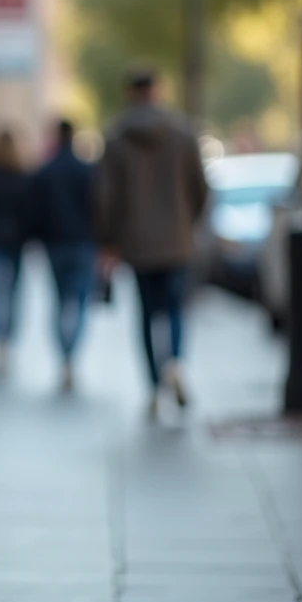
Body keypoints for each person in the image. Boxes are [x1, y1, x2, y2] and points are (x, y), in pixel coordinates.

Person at [97, 69, 208, 415]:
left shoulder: (116, 139)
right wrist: (189, 222)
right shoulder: (183, 133)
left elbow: (104, 196)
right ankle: (174, 362)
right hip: (176, 239)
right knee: (175, 307)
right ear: (156, 91)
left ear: (129, 93)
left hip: (137, 242)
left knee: (146, 313)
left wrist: (108, 240)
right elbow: (201, 187)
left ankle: (151, 387)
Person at [30, 119, 97, 391]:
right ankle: (72, 355)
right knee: (80, 302)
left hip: (55, 245)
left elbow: (35, 210)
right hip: (83, 244)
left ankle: (64, 356)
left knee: (59, 302)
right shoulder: (88, 171)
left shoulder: (45, 171)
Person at [0, 130, 31, 376]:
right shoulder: (22, 177)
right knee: (13, 293)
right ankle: (8, 339)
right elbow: (29, 213)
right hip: (16, 243)